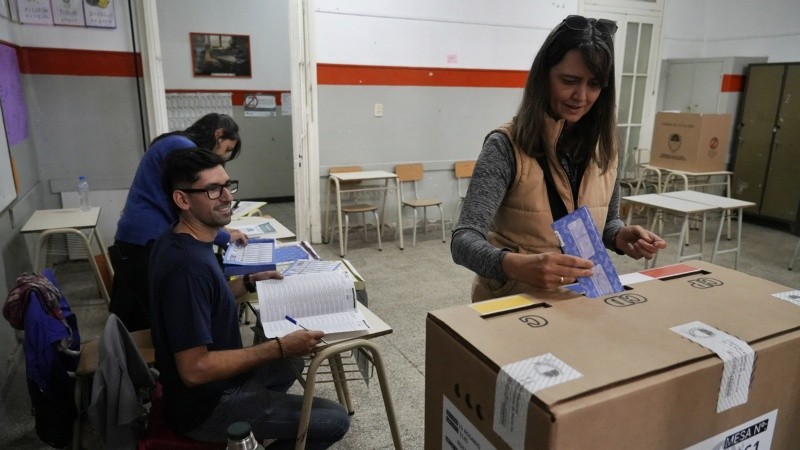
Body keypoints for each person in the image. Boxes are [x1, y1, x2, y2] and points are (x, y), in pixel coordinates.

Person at [451, 15, 667, 302]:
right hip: (517, 303)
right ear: (544, 77)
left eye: (594, 84)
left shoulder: (606, 146)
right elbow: (463, 241)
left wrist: (618, 235)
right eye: (569, 80)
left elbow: (605, 221)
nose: (581, 96)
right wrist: (513, 265)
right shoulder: (505, 146)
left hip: (587, 296)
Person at [149, 148, 349, 448]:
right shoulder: (187, 268)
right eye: (213, 190)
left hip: (218, 385)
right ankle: (250, 420)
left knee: (291, 356)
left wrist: (248, 281)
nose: (228, 197)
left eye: (228, 185)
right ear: (182, 199)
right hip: (207, 406)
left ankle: (263, 412)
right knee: (334, 421)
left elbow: (208, 301)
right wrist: (278, 346)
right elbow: (194, 370)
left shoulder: (180, 238)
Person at [109, 113, 248, 332]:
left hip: (142, 235)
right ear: (218, 135)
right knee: (160, 320)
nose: (223, 156)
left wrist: (223, 230)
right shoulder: (181, 147)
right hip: (145, 241)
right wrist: (222, 236)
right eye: (226, 149)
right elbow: (192, 202)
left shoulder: (176, 142)